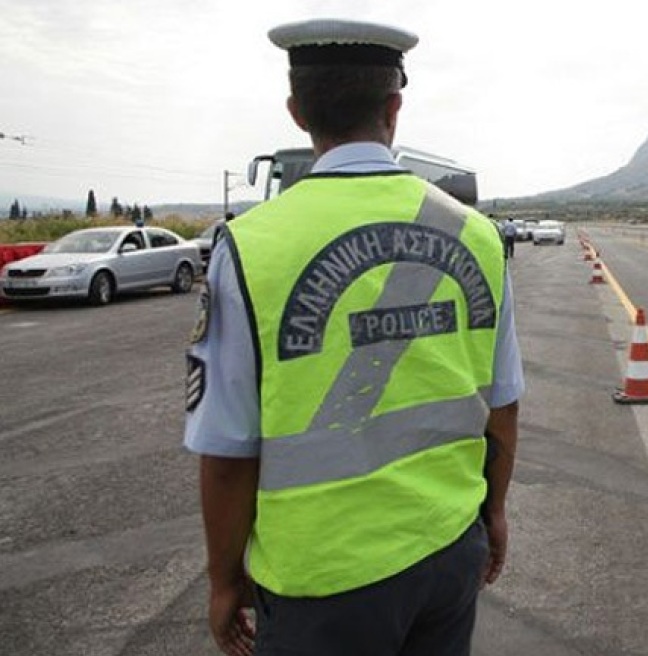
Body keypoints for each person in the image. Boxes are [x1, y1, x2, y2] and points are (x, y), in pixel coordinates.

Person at [183, 18, 523, 656]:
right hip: (449, 548)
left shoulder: (251, 247)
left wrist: (223, 579)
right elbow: (502, 407)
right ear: (394, 109)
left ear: (296, 112)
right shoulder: (477, 236)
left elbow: (228, 451)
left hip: (322, 582)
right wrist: (494, 513)